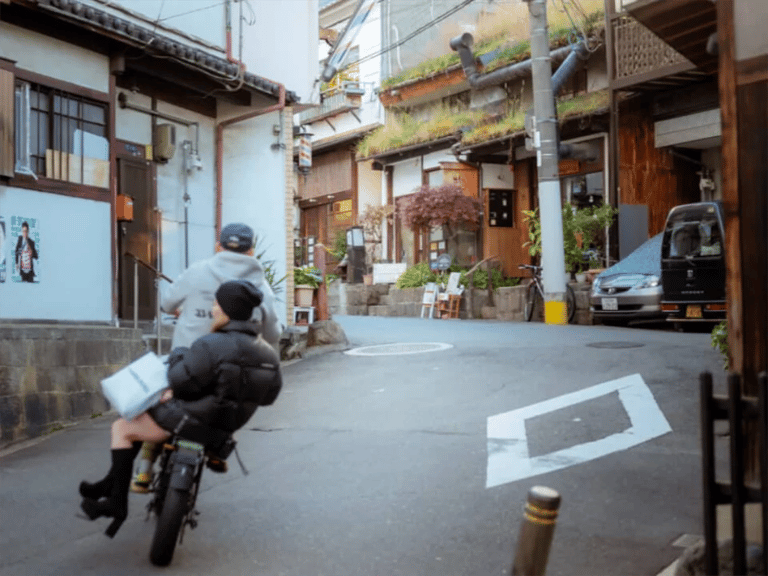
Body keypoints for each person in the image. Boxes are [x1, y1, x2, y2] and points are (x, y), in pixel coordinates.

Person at [79, 280, 283, 538]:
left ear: (226, 310)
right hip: (224, 431)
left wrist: (178, 356)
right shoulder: (269, 355)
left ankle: (117, 501)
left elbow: (180, 381)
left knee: (123, 427)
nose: (212, 309)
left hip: (186, 421)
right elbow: (268, 397)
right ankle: (109, 484)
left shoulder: (210, 344)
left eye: (216, 304)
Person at [131, 222, 283, 492]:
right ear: (251, 252)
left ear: (218, 246)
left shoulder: (197, 272)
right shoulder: (261, 287)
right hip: (230, 369)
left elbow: (167, 303)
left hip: (186, 362)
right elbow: (273, 333)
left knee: (158, 397)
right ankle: (216, 447)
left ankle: (143, 471)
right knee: (231, 396)